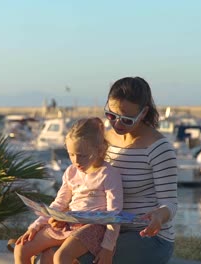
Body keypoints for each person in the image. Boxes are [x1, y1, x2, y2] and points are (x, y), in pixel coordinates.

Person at [78, 76, 178, 263]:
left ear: (143, 112)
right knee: (50, 253)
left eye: (127, 120)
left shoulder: (158, 148)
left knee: (82, 259)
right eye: (111, 115)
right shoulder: (103, 141)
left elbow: (170, 204)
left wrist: (158, 216)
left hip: (147, 235)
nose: (117, 124)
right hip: (106, 228)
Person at [14, 117, 123, 264]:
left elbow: (114, 215)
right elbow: (59, 203)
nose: (76, 161)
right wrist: (36, 225)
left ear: (99, 150)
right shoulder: (71, 171)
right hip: (68, 223)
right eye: (71, 154)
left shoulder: (108, 174)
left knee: (60, 257)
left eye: (82, 155)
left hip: (93, 227)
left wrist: (108, 248)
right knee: (21, 248)